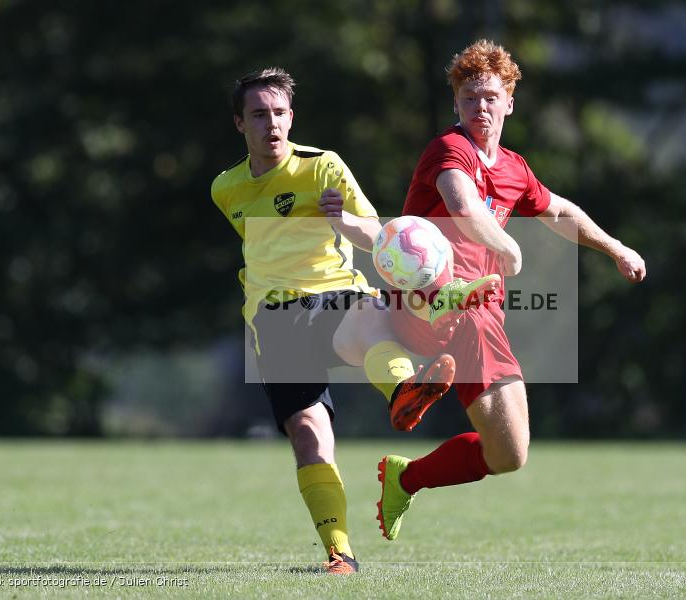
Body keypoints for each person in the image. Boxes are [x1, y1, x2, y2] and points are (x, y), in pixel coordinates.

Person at [376, 40, 647, 540]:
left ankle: (405, 476)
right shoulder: (448, 149)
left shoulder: (513, 168)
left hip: (481, 315)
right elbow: (461, 202)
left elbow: (561, 212)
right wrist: (507, 245)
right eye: (468, 98)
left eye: (489, 97)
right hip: (432, 303)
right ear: (456, 104)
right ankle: (407, 384)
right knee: (465, 320)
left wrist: (616, 249)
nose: (479, 107)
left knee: (509, 455)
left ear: (509, 102)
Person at [211, 67, 465, 573]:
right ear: (240, 124)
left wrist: (343, 223)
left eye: (280, 113)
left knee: (365, 315)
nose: (271, 124)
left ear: (291, 117)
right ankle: (338, 552)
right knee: (309, 437)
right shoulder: (226, 188)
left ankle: (403, 392)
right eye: (259, 115)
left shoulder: (324, 167)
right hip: (272, 320)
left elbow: (378, 238)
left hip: (333, 295)